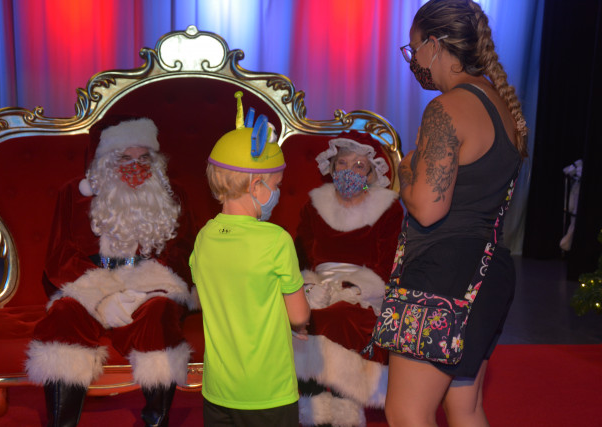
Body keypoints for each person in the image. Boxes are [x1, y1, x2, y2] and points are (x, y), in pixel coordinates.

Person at [385, 1, 527, 425]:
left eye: (413, 51)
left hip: (443, 274)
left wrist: (404, 170)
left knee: (406, 412)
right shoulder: (502, 106)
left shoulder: (446, 109)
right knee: (464, 407)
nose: (413, 63)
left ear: (434, 44)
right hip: (490, 273)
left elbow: (428, 209)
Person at [25, 117, 198, 427]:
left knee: (159, 313)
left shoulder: (174, 196)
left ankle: (155, 420)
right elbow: (61, 255)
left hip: (150, 291)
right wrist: (102, 297)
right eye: (125, 158)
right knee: (64, 314)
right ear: (106, 161)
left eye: (144, 158)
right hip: (89, 286)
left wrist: (140, 292)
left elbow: (183, 253)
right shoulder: (73, 195)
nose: (136, 166)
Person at [189, 92, 311, 427]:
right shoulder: (275, 240)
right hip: (268, 393)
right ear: (257, 186)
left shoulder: (202, 239)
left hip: (218, 392)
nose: (278, 193)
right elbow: (298, 314)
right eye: (277, 185)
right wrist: (299, 325)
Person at [292, 130, 403, 426]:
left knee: (340, 316)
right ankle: (312, 407)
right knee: (300, 314)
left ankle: (345, 408)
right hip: (318, 284)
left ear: (370, 172)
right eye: (343, 163)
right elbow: (299, 256)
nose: (350, 171)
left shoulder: (388, 208)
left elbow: (390, 263)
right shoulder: (314, 205)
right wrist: (307, 285)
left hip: (364, 291)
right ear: (331, 166)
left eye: (359, 165)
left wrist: (353, 289)